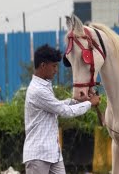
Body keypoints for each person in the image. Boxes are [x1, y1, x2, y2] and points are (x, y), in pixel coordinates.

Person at [23, 44, 100, 174]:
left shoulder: (44, 85)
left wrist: (77, 100)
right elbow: (64, 111)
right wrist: (89, 104)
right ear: (43, 65)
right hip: (38, 155)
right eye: (54, 66)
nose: (56, 70)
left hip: (53, 154)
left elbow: (56, 105)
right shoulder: (37, 90)